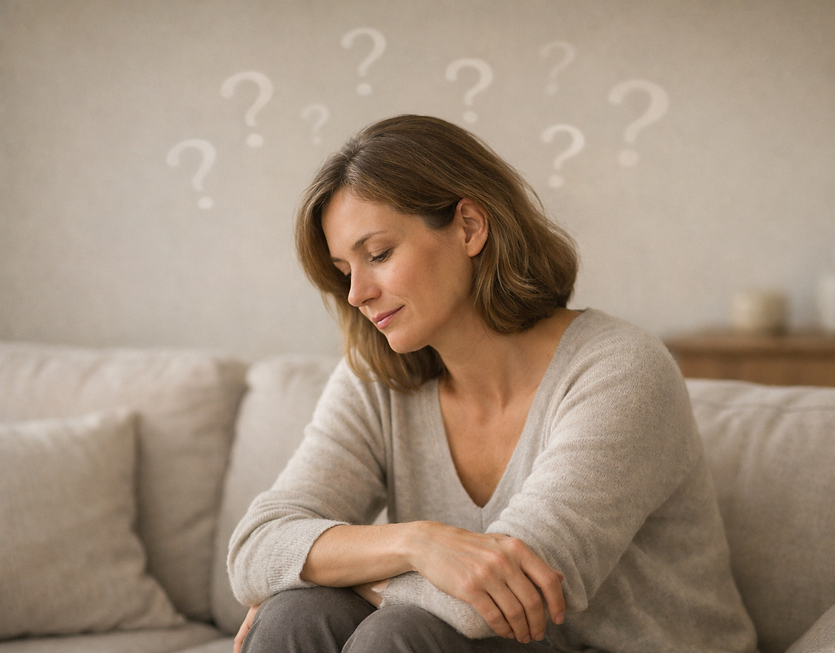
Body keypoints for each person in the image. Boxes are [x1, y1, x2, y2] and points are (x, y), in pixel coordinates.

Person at [228, 114, 757, 653]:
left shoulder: (621, 370)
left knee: (397, 633)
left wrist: (319, 564)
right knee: (297, 614)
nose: (357, 293)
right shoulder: (377, 379)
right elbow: (253, 548)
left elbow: (504, 592)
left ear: (470, 227)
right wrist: (416, 543)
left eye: (379, 254)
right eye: (344, 271)